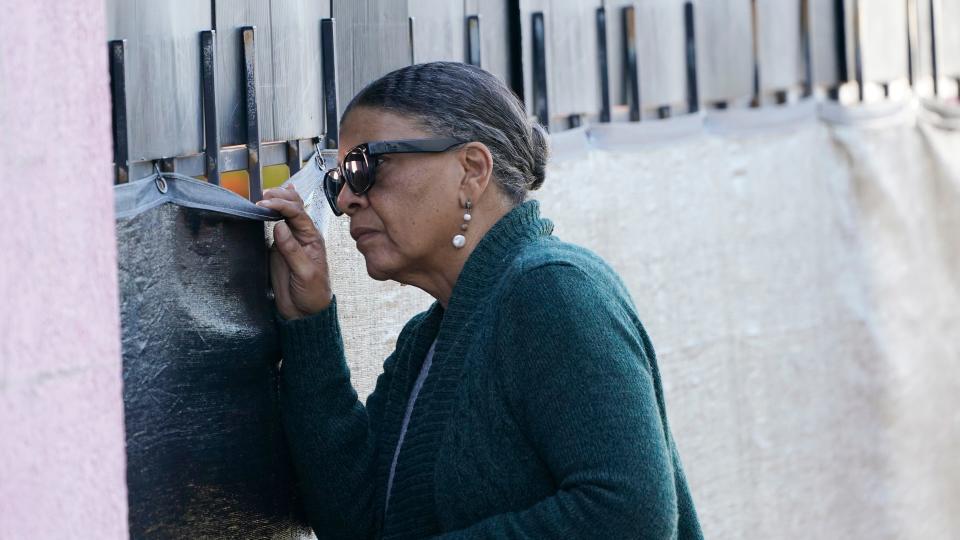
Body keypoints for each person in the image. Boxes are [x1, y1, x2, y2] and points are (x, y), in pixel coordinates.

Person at [257, 61, 702, 540]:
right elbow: (357, 524)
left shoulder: (554, 290)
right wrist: (310, 323)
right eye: (339, 178)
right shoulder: (426, 341)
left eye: (367, 167)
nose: (345, 199)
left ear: (471, 170)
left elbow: (630, 519)